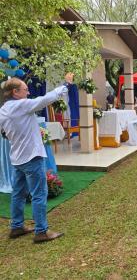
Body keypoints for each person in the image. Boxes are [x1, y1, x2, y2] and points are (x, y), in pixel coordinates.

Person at [0, 73, 74, 243]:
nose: (28, 93)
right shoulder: (22, 105)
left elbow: (3, 132)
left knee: (18, 193)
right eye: (25, 90)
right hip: (31, 157)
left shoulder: (3, 110)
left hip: (17, 159)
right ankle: (41, 231)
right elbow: (45, 99)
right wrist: (66, 85)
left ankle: (17, 226)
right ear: (15, 92)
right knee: (39, 194)